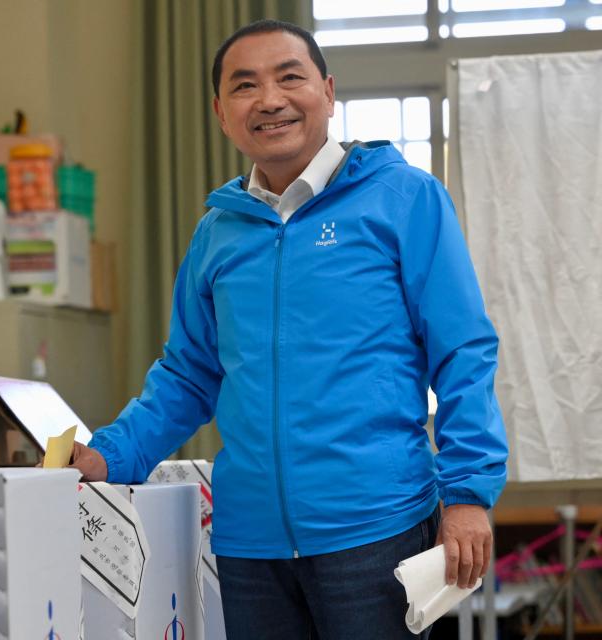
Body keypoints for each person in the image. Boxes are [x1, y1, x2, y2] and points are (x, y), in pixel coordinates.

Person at [70, 19, 508, 640]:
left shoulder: (405, 198)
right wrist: (111, 454)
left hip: (376, 529)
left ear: (328, 92)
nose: (270, 99)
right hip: (251, 545)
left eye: (290, 77)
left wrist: (467, 493)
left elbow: (462, 351)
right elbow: (188, 374)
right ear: (222, 113)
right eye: (245, 86)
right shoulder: (217, 233)